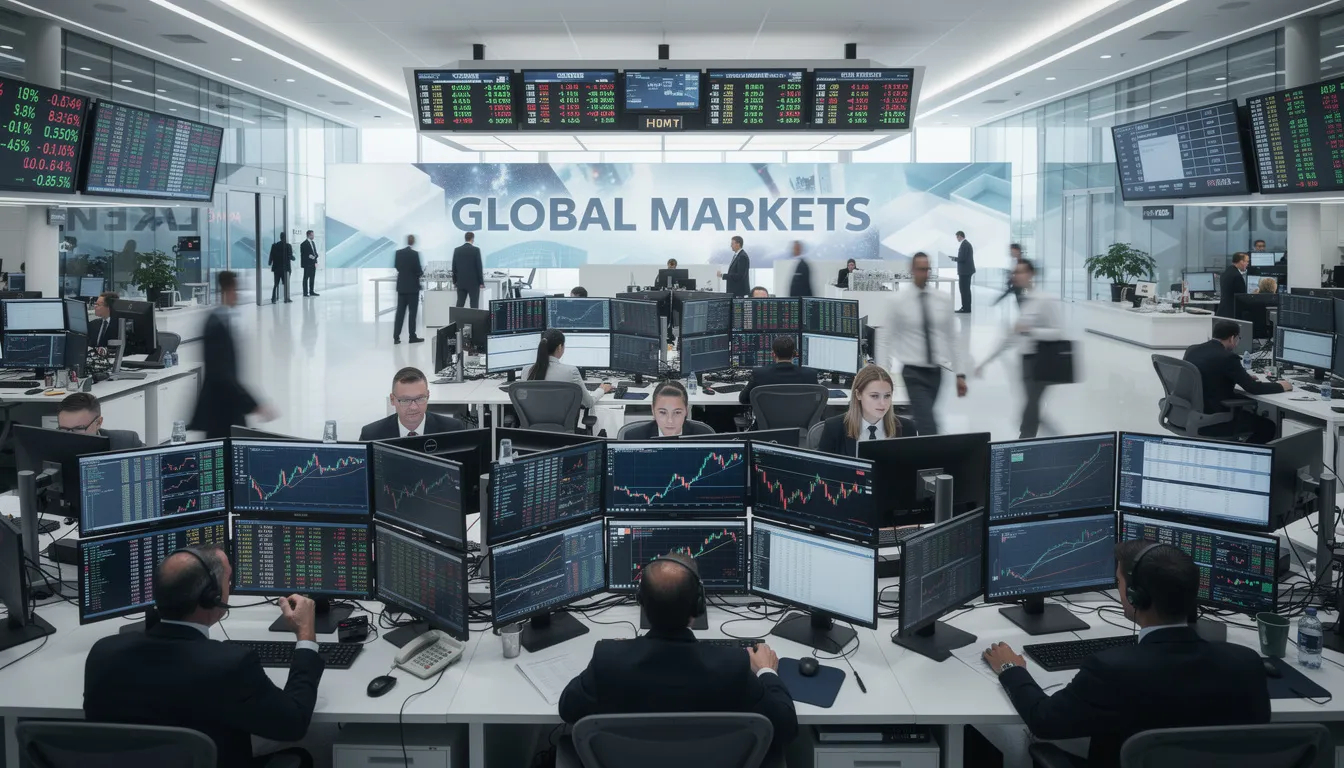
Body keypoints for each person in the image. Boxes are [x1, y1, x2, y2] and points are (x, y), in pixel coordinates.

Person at [980, 541, 1270, 768]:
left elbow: (1043, 721)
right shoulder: (1245, 664)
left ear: (1135, 597)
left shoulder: (1111, 669)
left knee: (1018, 737)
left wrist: (1010, 667)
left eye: (1119, 582)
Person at [84, 545, 325, 768]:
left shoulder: (103, 653)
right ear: (211, 597)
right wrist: (306, 635)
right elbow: (293, 723)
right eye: (227, 581)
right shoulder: (231, 665)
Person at [559, 552, 798, 762]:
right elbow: (785, 727)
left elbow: (567, 709)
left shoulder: (608, 659)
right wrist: (767, 671)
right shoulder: (732, 665)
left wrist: (623, 651)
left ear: (641, 602)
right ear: (698, 606)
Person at [876, 252, 967, 435]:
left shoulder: (942, 299)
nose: (924, 273)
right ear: (912, 270)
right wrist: (882, 376)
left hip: (936, 372)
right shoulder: (898, 301)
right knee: (928, 424)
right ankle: (933, 459)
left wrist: (960, 373)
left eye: (927, 269)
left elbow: (952, 337)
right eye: (920, 269)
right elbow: (885, 339)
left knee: (925, 417)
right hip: (912, 372)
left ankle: (913, 452)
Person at [977, 259, 1063, 439]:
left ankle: (1024, 441)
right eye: (1015, 272)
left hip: (1043, 362)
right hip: (1026, 362)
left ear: (1031, 275)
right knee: (1032, 406)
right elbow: (1011, 337)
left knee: (1031, 406)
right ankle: (1055, 435)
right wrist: (986, 361)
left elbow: (1058, 332)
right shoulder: (1026, 300)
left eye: (1020, 272)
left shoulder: (1045, 299)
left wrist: (1031, 330)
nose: (1016, 276)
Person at [189, 272, 274, 439]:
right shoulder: (216, 325)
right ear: (228, 290)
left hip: (227, 403)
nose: (238, 295)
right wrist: (253, 404)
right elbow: (222, 373)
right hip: (222, 406)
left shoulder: (222, 320)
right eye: (237, 290)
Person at [1181, 319, 1289, 444]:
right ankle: (1244, 455)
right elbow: (1253, 388)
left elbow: (1210, 374)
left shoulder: (1192, 350)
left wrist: (1241, 377)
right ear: (1232, 338)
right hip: (1215, 420)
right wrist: (1281, 386)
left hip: (1190, 413)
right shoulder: (1228, 357)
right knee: (1268, 427)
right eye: (1238, 339)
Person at [817, 364, 915, 455]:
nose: (883, 403)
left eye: (887, 396)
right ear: (858, 394)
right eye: (874, 396)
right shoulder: (834, 428)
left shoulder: (907, 428)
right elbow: (821, 472)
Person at [359, 366, 466, 441]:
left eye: (420, 398)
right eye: (405, 400)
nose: (414, 407)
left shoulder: (452, 430)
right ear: (392, 399)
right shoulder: (371, 435)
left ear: (428, 396)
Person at [523, 330, 611, 410]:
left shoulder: (526, 371)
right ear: (560, 347)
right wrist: (601, 390)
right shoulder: (571, 371)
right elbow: (588, 403)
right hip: (561, 426)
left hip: (531, 427)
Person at [622, 380, 715, 439]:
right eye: (662, 412)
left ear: (686, 410)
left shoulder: (704, 436)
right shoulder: (634, 438)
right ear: (653, 410)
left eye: (677, 412)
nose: (670, 421)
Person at [739, 335, 816, 405]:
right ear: (794, 354)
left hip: (768, 420)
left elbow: (743, 399)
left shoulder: (759, 374)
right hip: (802, 420)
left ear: (773, 354)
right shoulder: (810, 375)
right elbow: (819, 398)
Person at [57, 392, 144, 449]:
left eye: (78, 429)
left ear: (98, 423)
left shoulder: (127, 443)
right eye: (64, 430)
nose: (70, 437)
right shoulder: (50, 449)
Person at [394, 235, 424, 344]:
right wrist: (420, 273)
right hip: (413, 288)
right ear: (413, 242)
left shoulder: (398, 253)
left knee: (400, 313)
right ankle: (412, 337)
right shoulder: (415, 254)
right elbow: (418, 271)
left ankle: (396, 337)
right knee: (412, 314)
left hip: (401, 287)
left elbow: (397, 267)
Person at [452, 232, 484, 309]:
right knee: (474, 305)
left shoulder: (457, 250)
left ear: (465, 238)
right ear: (472, 239)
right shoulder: (476, 250)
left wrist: (455, 281)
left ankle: (457, 320)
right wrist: (481, 282)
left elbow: (454, 267)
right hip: (474, 283)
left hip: (461, 282)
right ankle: (474, 321)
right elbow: (479, 267)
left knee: (459, 304)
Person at [1217, 252, 1249, 319]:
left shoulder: (1226, 272)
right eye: (1247, 261)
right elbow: (1242, 297)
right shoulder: (1237, 276)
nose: (1247, 264)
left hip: (1223, 311)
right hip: (1232, 313)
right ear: (1241, 262)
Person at [951, 230, 975, 312]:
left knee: (964, 290)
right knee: (966, 290)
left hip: (965, 271)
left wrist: (954, 259)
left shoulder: (964, 245)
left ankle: (965, 308)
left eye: (957, 237)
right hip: (967, 271)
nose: (957, 239)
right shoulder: (966, 244)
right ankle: (966, 308)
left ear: (960, 236)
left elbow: (962, 258)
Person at [267, 232, 294, 304]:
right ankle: (286, 298)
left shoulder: (274, 245)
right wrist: (293, 258)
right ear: (285, 237)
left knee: (276, 284)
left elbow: (271, 255)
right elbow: (290, 256)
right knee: (286, 284)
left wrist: (270, 263)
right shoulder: (288, 246)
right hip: (286, 268)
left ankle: (273, 299)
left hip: (277, 268)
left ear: (280, 237)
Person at [299, 230, 320, 297]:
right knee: (306, 278)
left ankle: (311, 291)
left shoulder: (313, 243)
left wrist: (316, 257)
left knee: (312, 278)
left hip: (313, 263)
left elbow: (315, 252)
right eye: (312, 235)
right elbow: (303, 255)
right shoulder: (303, 244)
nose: (313, 236)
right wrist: (309, 256)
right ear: (308, 235)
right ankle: (305, 293)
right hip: (307, 264)